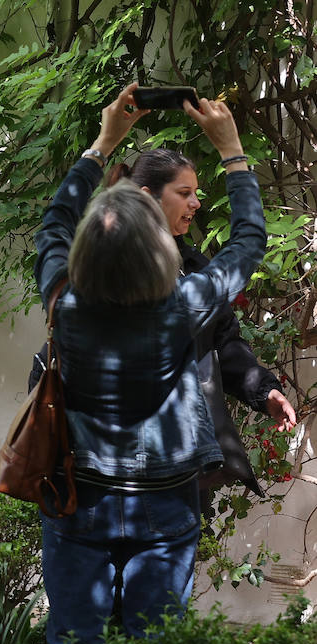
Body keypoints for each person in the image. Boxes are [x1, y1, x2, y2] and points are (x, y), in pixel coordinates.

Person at [34, 84, 266, 644]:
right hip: (164, 504)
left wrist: (104, 142)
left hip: (78, 498)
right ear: (159, 255)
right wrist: (231, 151)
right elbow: (249, 242)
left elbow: (54, 225)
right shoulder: (182, 308)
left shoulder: (63, 302)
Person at [29, 148, 297, 492]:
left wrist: (264, 391)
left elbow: (224, 343)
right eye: (185, 193)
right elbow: (248, 244)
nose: (196, 203)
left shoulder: (192, 268)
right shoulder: (102, 274)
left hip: (176, 471)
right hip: (98, 473)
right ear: (148, 199)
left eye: (196, 194)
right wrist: (231, 149)